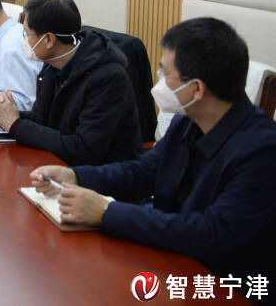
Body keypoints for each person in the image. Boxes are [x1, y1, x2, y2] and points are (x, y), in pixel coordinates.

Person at [29, 18, 276, 295]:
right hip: (172, 256)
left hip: (227, 285)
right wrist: (76, 176)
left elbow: (211, 233)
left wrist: (107, 212)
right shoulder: (189, 120)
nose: (159, 82)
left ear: (197, 89)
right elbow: (144, 171)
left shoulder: (261, 151)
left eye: (165, 73)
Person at [0, 0, 141, 165]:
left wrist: (15, 124)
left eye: (26, 34)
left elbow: (83, 149)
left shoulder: (108, 79)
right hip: (56, 166)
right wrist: (6, 113)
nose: (23, 41)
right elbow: (42, 120)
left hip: (100, 174)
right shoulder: (52, 66)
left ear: (49, 40)